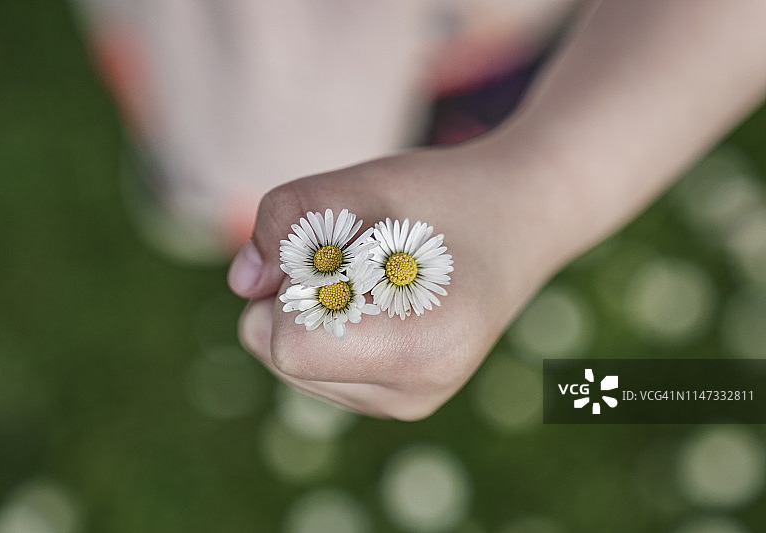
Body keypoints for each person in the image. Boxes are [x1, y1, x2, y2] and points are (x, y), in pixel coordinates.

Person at [81, 0, 766, 419]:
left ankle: (470, 110)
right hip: (247, 48)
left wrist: (538, 188)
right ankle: (204, 180)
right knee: (246, 158)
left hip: (498, 18)